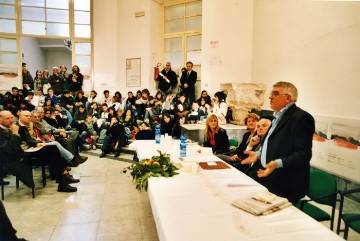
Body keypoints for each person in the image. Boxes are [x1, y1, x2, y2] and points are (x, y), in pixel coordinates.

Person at [241, 81, 315, 205]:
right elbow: (275, 145)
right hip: (268, 178)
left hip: (285, 182)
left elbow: (304, 154)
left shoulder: (301, 118)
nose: (270, 97)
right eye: (271, 93)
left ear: (288, 98)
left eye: (275, 94)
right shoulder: (277, 117)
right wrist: (259, 154)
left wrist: (278, 163)